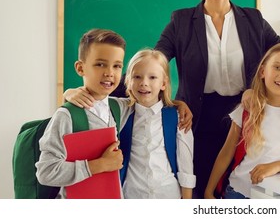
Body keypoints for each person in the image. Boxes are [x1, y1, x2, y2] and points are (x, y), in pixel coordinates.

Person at [154, 0, 280, 197]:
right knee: (202, 188)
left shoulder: (254, 20)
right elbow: (155, 62)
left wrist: (255, 89)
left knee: (241, 188)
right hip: (198, 116)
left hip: (246, 114)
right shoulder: (181, 21)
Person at [204, 43, 280, 199]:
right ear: (263, 71)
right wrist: (209, 191)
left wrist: (275, 167)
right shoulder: (247, 109)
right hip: (239, 192)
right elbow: (226, 152)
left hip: (277, 195)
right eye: (277, 67)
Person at [36, 29, 128, 198]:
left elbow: (148, 98)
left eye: (117, 66)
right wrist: (100, 165)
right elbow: (46, 172)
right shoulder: (66, 116)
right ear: (80, 68)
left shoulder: (118, 107)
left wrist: (179, 104)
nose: (109, 72)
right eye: (100, 64)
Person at [120, 49, 195, 198]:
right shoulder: (121, 112)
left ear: (164, 83)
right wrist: (69, 93)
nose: (144, 83)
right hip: (131, 195)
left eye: (153, 77)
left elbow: (186, 168)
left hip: (168, 196)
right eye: (137, 77)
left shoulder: (179, 116)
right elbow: (96, 102)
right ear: (128, 81)